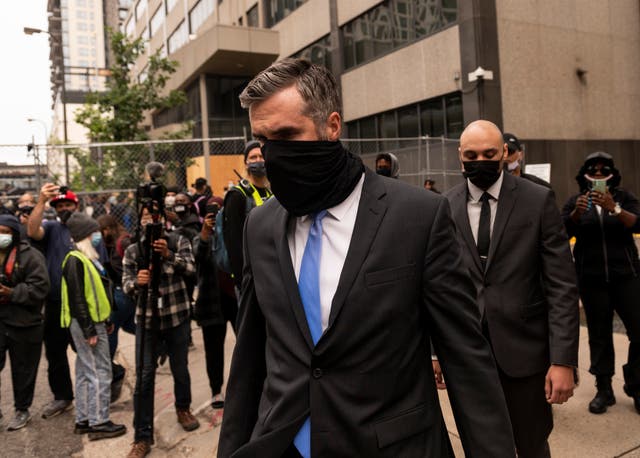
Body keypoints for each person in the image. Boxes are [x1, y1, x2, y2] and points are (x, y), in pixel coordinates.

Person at [218, 58, 515, 458]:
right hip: (284, 445)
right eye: (263, 140)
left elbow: (465, 358)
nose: (272, 155)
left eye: (288, 134)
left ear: (332, 126)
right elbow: (250, 357)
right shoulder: (260, 225)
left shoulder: (418, 217)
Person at [442, 120, 579, 458]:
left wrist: (563, 360)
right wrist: (434, 350)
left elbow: (561, 284)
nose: (481, 161)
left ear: (504, 153)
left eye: (489, 153)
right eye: (471, 155)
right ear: (460, 156)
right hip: (468, 356)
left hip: (525, 356)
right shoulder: (443, 206)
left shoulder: (537, 200)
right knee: (481, 446)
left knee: (531, 445)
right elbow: (438, 286)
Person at [562, 152, 640, 415]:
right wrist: (575, 214)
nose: (597, 175)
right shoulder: (576, 202)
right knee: (599, 335)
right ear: (584, 175)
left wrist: (614, 208)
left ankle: (636, 385)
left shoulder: (623, 198)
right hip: (592, 280)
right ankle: (604, 389)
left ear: (611, 174)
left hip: (626, 277)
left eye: (602, 170)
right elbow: (560, 232)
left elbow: (638, 222)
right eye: (592, 171)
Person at [122, 207, 199, 457]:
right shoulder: (134, 250)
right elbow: (125, 283)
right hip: (147, 322)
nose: (149, 220)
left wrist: (168, 255)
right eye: (144, 215)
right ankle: (142, 436)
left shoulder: (178, 240)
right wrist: (137, 283)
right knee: (144, 377)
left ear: (164, 219)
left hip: (176, 317)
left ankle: (183, 408)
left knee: (180, 369)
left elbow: (190, 269)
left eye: (154, 215)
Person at [61, 213, 127, 440]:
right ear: (83, 237)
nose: (96, 236)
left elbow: (95, 294)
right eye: (92, 233)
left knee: (84, 371)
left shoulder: (85, 258)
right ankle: (100, 421)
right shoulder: (75, 260)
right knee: (99, 370)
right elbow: (78, 298)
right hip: (86, 325)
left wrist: (106, 320)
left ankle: (84, 419)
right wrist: (90, 329)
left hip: (92, 322)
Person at [26, 183, 78, 419]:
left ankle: (107, 382)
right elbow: (32, 230)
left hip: (82, 303)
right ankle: (62, 396)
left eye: (68, 204)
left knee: (90, 348)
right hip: (57, 300)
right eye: (60, 206)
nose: (64, 209)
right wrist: (40, 201)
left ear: (76, 205)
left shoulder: (86, 228)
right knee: (56, 351)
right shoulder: (51, 227)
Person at [0, 215, 49, 431]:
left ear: (14, 234)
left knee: (24, 369)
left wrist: (11, 292)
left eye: (5, 232)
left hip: (25, 321)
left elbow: (40, 288)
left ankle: (22, 410)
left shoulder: (30, 256)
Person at [193, 196, 238, 410]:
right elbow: (198, 258)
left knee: (246, 345)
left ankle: (246, 386)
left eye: (220, 209)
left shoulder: (232, 233)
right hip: (211, 302)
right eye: (212, 210)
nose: (216, 214)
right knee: (214, 350)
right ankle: (216, 391)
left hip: (236, 299)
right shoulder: (201, 237)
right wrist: (205, 233)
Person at [223, 140, 273, 290]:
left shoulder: (272, 191)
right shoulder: (237, 196)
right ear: (246, 163)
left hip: (270, 267)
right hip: (249, 275)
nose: (258, 161)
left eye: (261, 156)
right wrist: (242, 279)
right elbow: (233, 241)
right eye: (253, 157)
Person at [97, 214, 135, 401]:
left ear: (109, 228)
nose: (100, 234)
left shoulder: (123, 242)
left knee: (109, 330)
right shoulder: (110, 245)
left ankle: (111, 371)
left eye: (101, 230)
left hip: (123, 293)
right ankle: (160, 341)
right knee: (129, 325)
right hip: (118, 292)